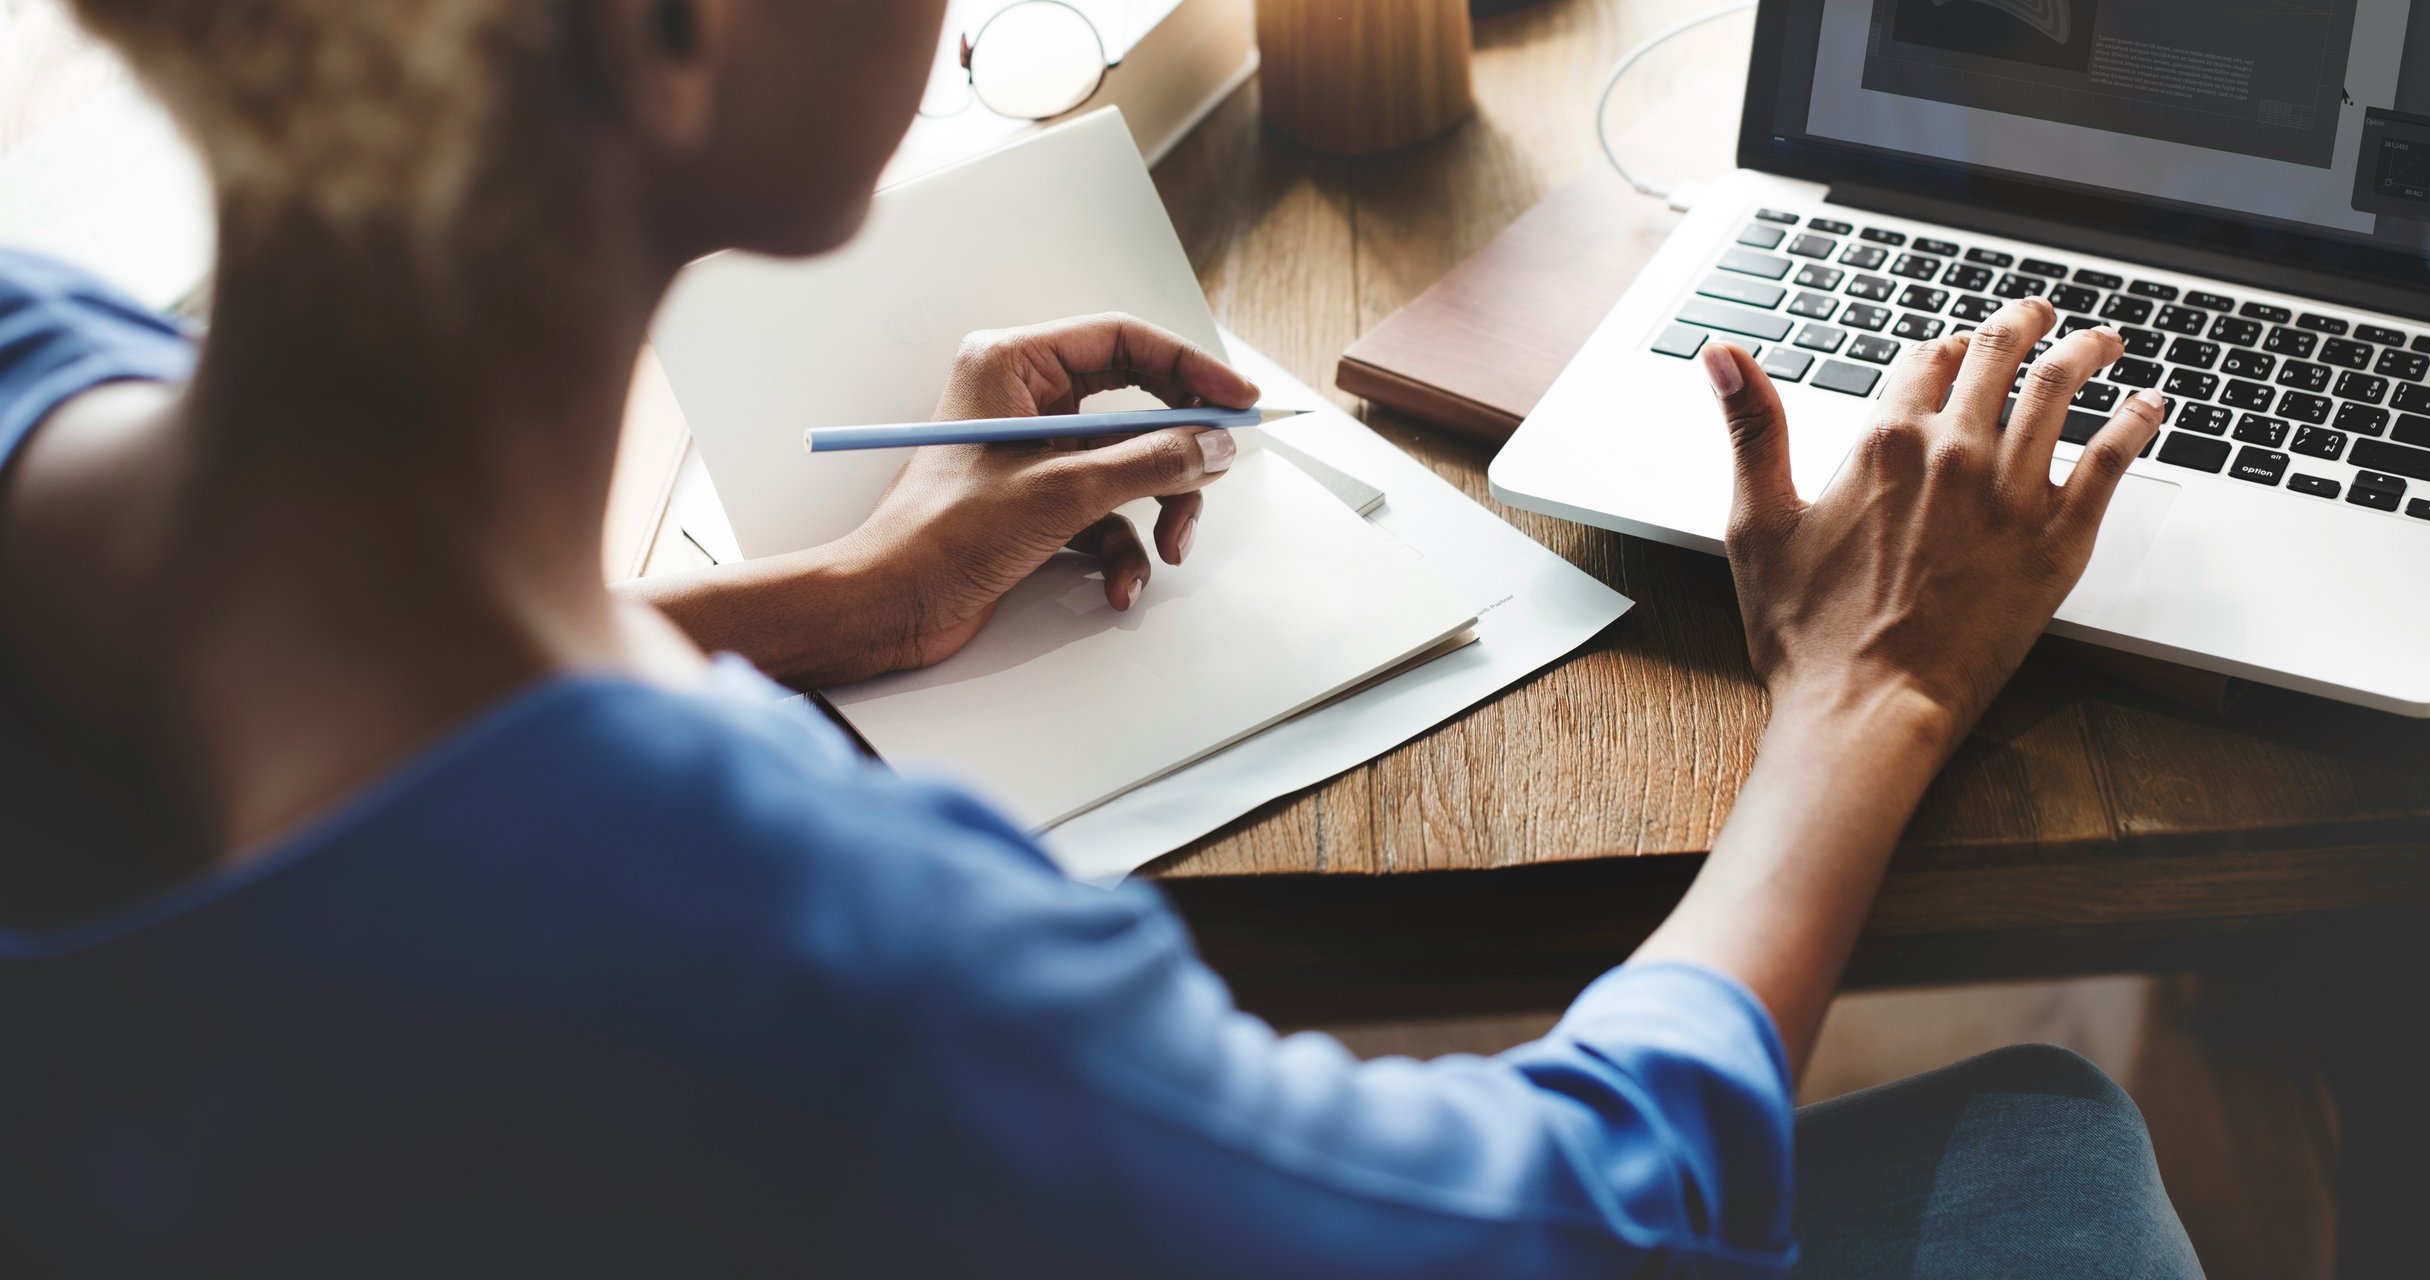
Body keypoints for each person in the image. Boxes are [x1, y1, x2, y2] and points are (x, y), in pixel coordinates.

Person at [0, 2, 2203, 1276]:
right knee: (2044, 1151)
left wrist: (820, 605)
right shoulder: (830, 976)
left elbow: (316, 695)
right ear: (675, 40)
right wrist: (1864, 694)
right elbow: (1579, 1217)